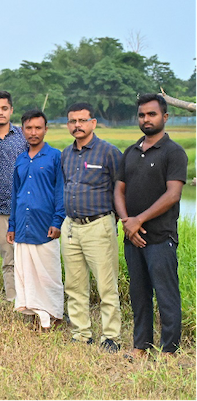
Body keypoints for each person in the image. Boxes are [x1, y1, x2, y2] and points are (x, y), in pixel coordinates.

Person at [115, 93, 188, 359]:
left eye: (152, 114)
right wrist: (126, 223)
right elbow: (118, 189)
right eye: (142, 115)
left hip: (160, 237)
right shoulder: (131, 152)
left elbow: (173, 195)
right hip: (132, 238)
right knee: (139, 294)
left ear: (165, 117)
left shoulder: (174, 152)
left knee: (166, 295)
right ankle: (141, 346)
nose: (146, 119)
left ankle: (169, 350)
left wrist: (139, 220)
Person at [61, 102, 123, 352]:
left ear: (93, 123)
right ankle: (81, 333)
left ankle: (111, 337)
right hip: (71, 227)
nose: (77, 125)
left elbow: (121, 189)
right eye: (73, 121)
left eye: (82, 121)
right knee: (74, 285)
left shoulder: (109, 152)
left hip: (99, 225)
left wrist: (117, 221)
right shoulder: (65, 153)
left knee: (106, 285)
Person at [7, 110, 65, 332]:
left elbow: (60, 191)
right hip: (22, 223)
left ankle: (53, 314)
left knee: (48, 273)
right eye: (29, 128)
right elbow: (16, 193)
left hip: (45, 224)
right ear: (22, 130)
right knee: (27, 272)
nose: (33, 132)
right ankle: (35, 313)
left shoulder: (54, 156)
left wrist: (57, 221)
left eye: (38, 128)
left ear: (45, 129)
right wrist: (12, 225)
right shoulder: (20, 159)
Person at [0, 90, 26, 301]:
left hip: (26, 207)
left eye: (4, 108)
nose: (0, 113)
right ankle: (13, 299)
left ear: (11, 110)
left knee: (29, 256)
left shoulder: (23, 136)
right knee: (8, 257)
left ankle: (32, 298)